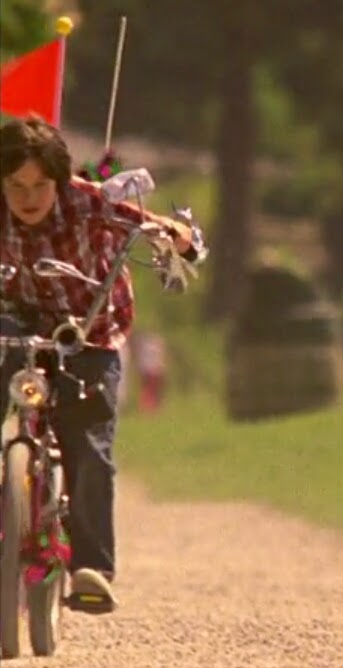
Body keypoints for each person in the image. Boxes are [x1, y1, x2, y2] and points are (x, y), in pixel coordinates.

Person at [0, 116, 203, 614]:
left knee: (89, 445)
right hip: (17, 328)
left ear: (59, 180)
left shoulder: (90, 203)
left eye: (39, 185)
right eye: (16, 186)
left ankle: (90, 568)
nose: (28, 198)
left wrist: (177, 237)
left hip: (88, 334)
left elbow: (169, 234)